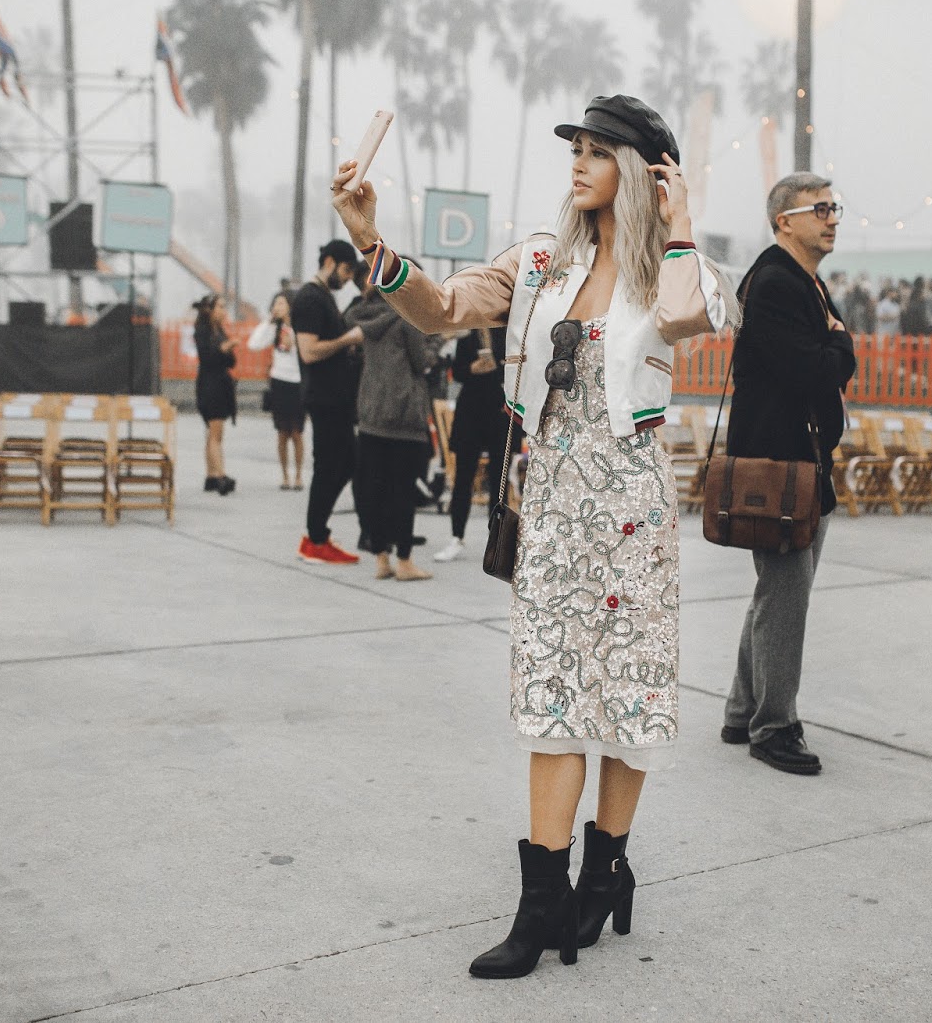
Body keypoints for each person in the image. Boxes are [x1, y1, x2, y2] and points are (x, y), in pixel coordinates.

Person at [332, 93, 731, 980]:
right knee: (552, 698)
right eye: (576, 147)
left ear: (645, 171)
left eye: (600, 150)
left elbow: (684, 316)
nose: (579, 162)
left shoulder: (676, 268)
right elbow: (443, 308)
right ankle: (541, 901)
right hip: (550, 508)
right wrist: (372, 241)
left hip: (630, 517)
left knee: (624, 695)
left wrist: (679, 220)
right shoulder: (541, 259)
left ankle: (606, 873)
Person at [722, 172, 856, 775]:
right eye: (819, 209)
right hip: (780, 465)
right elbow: (815, 370)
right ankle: (774, 727)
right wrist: (843, 346)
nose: (832, 219)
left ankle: (741, 710)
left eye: (834, 208)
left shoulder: (804, 280)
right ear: (785, 221)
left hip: (801, 459)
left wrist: (834, 345)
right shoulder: (777, 282)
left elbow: (820, 360)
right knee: (786, 597)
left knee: (777, 592)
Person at [345, 259, 439, 581]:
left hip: (371, 410)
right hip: (404, 413)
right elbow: (420, 362)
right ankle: (405, 562)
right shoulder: (407, 316)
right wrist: (437, 344)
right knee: (402, 489)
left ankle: (381, 559)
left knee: (374, 487)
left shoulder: (363, 314)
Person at [292, 239, 365, 564]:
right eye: (347, 270)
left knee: (346, 463)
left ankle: (317, 534)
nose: (348, 279)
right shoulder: (309, 298)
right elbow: (309, 351)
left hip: (335, 397)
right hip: (324, 398)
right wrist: (348, 339)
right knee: (329, 467)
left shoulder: (322, 297)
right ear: (331, 262)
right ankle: (315, 539)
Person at [433, 323, 521, 563]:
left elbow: (519, 371)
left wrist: (498, 368)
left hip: (501, 410)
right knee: (463, 476)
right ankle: (456, 536)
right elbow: (458, 371)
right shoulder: (469, 331)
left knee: (499, 480)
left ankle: (497, 540)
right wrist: (474, 367)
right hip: (471, 409)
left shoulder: (509, 330)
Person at [247, 290, 306, 491]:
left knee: (297, 432)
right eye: (275, 304)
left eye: (281, 303)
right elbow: (253, 344)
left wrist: (295, 343)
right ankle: (285, 475)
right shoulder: (274, 328)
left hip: (298, 382)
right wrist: (268, 321)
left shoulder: (301, 327)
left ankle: (298, 475)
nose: (277, 307)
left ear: (290, 305)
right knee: (282, 432)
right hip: (279, 381)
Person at [192, 293, 237, 495]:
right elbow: (207, 357)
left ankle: (211, 475)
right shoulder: (202, 331)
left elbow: (231, 361)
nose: (224, 311)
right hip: (210, 385)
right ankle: (220, 475)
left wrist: (226, 350)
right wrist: (223, 349)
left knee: (213, 432)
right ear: (210, 310)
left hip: (220, 383)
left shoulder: (220, 331)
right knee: (215, 432)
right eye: (220, 306)